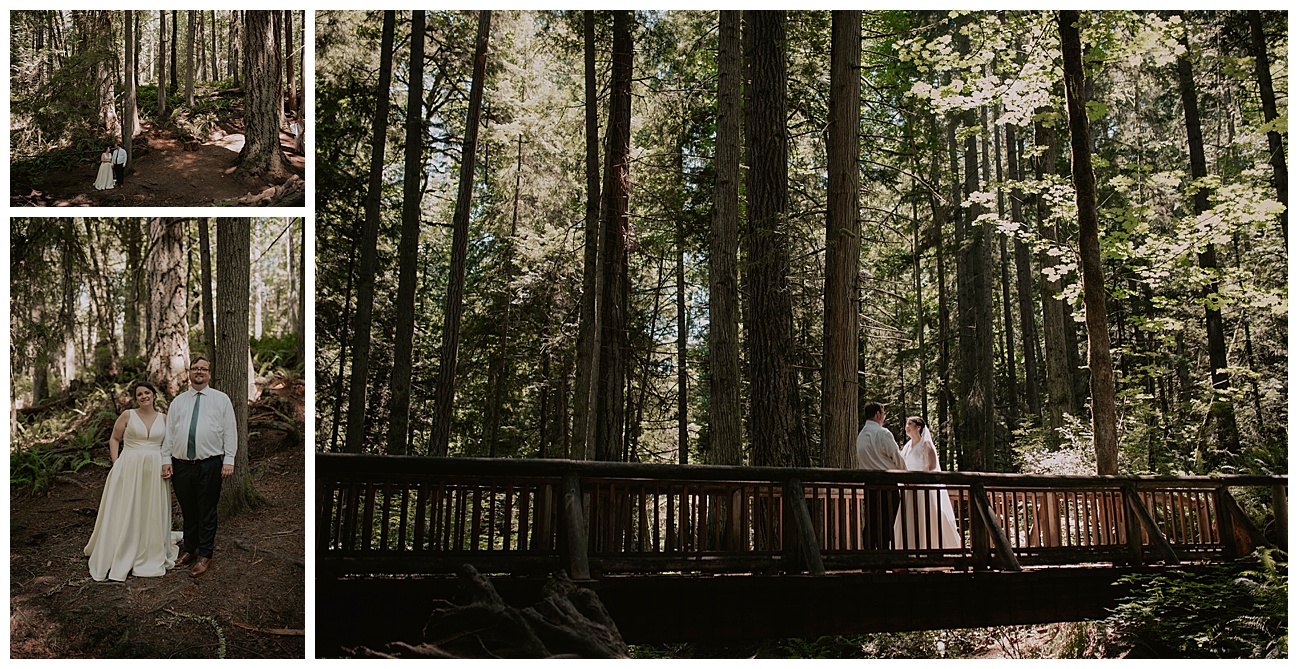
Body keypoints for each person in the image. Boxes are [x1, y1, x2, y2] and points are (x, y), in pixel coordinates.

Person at [84, 382, 180, 581]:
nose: (144, 396)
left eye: (147, 393)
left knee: (150, 508)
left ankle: (149, 548)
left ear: (154, 395)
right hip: (128, 467)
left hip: (154, 469)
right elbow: (114, 439)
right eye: (139, 394)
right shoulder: (128, 415)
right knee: (127, 507)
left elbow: (168, 445)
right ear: (136, 399)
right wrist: (116, 462)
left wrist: (167, 463)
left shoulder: (164, 418)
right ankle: (122, 547)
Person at [161, 356, 238, 578]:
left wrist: (229, 459)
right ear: (190, 372)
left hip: (210, 464)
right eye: (196, 368)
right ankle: (190, 549)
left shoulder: (221, 399)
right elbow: (170, 434)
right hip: (181, 465)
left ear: (209, 374)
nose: (200, 372)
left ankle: (206, 553)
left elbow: (229, 431)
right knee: (188, 509)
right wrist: (166, 459)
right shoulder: (178, 401)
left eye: (204, 369)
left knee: (207, 510)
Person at [893, 416, 961, 551]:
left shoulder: (926, 444)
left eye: (909, 424)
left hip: (923, 489)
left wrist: (918, 480)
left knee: (925, 520)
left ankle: (928, 550)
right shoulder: (907, 446)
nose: (906, 426)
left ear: (918, 427)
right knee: (909, 521)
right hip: (909, 489)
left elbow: (931, 466)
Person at [855, 402, 905, 551]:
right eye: (883, 414)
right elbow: (896, 457)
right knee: (888, 522)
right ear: (877, 414)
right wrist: (907, 474)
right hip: (887, 484)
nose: (883, 417)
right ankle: (884, 556)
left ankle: (870, 558)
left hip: (869, 485)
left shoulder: (861, 435)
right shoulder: (882, 433)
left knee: (872, 522)